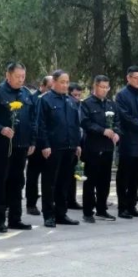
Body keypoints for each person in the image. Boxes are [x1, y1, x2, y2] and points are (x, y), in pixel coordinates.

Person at [0, 62, 36, 232]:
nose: (21, 80)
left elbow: (33, 119)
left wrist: (32, 141)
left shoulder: (27, 94)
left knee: (17, 181)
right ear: (8, 75)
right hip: (1, 145)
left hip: (21, 144)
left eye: (23, 77)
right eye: (17, 76)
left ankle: (15, 218)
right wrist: (1, 129)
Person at [36, 70, 82, 228]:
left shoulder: (71, 101)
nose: (65, 85)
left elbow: (75, 125)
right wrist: (45, 144)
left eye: (67, 82)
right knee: (50, 182)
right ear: (54, 82)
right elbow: (41, 124)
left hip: (69, 147)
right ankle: (48, 215)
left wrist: (77, 144)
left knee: (64, 182)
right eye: (62, 82)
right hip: (53, 148)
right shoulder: (45, 100)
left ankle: (61, 213)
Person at [80, 75, 120, 222]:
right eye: (101, 87)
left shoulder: (111, 104)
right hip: (93, 148)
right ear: (95, 87)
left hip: (108, 148)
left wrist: (116, 133)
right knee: (90, 181)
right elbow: (85, 123)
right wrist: (102, 131)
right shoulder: (86, 104)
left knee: (105, 181)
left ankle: (102, 209)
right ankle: (88, 212)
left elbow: (117, 122)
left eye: (106, 87)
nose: (104, 90)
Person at [115, 66, 138, 219]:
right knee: (124, 177)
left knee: (136, 178)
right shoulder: (122, 95)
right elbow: (125, 117)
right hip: (127, 142)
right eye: (136, 78)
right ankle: (122, 208)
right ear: (128, 78)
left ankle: (132, 206)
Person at [25, 75, 53, 216]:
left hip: (50, 143)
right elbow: (33, 122)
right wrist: (33, 142)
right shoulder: (33, 99)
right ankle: (31, 204)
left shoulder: (54, 99)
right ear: (42, 87)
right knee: (33, 175)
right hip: (36, 143)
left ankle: (49, 205)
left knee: (49, 177)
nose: (51, 90)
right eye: (49, 87)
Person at [66, 82, 85, 211]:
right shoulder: (68, 104)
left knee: (75, 174)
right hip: (68, 143)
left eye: (79, 95)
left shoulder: (81, 106)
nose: (77, 98)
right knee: (66, 174)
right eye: (74, 95)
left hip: (80, 142)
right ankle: (64, 200)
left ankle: (72, 200)